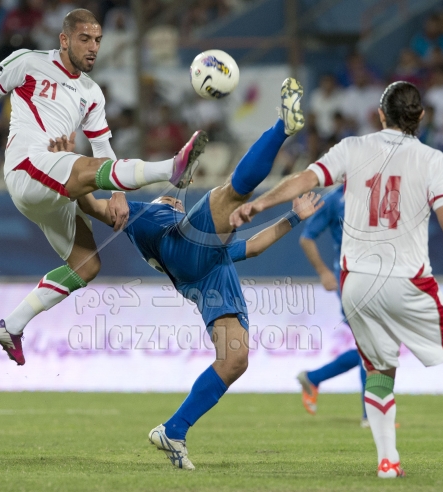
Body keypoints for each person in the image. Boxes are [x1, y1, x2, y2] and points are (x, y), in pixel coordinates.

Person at [229, 81, 443, 478]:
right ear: (421, 116)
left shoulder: (352, 148)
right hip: (407, 279)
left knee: (379, 369)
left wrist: (260, 203)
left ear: (381, 114)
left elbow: (305, 178)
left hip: (356, 283)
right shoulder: (432, 159)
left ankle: (388, 461)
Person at [71, 77, 306, 470]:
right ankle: (283, 126)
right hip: (182, 254)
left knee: (235, 361)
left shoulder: (202, 235)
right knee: (231, 194)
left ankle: (174, 430)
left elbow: (254, 246)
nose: (178, 196)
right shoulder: (146, 215)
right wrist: (72, 173)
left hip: (206, 282)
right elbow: (95, 207)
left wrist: (294, 217)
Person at [0, 9, 205, 366]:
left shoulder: (91, 93)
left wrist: (117, 194)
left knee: (86, 265)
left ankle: (12, 325)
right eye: (85, 39)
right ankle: (170, 169)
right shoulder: (29, 62)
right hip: (26, 166)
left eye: (97, 40)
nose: (93, 47)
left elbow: (103, 148)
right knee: (86, 170)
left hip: (51, 185)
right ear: (64, 39)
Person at [295, 185, 368, 426]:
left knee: (375, 347)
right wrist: (323, 272)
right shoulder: (335, 199)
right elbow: (307, 238)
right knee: (371, 346)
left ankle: (313, 378)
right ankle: (371, 415)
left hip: (376, 280)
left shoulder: (378, 192)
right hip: (348, 279)